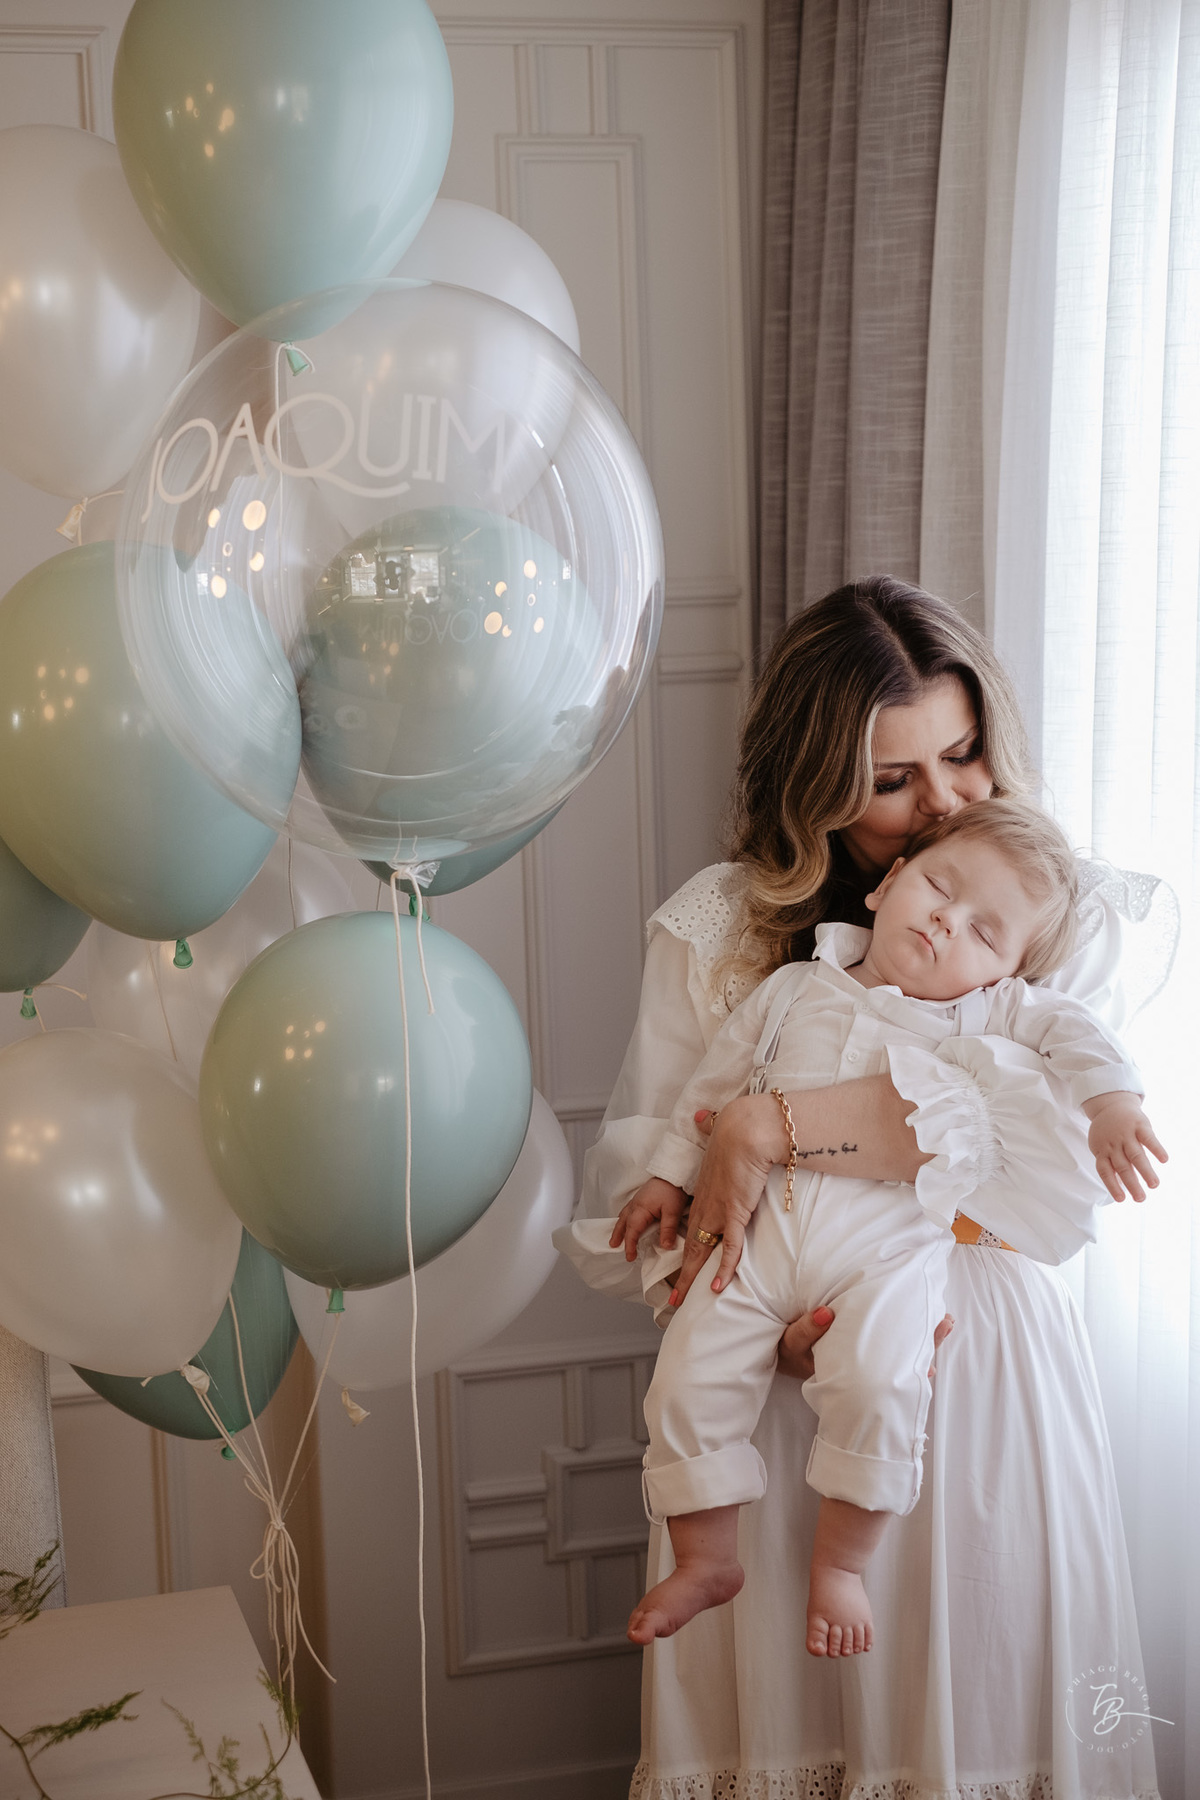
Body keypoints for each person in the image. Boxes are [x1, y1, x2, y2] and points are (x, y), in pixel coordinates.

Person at [558, 577, 1167, 1800]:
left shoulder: (1054, 911)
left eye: (964, 755)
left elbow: (998, 1146)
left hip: (971, 1364)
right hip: (771, 1380)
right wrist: (718, 1244)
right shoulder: (725, 933)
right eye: (895, 782)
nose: (944, 805)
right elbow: (650, 1191)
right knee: (798, 1728)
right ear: (818, 788)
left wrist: (766, 1126)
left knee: (981, 1708)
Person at [623, 800, 1163, 1659]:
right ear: (885, 889)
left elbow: (1071, 1031)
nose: (950, 923)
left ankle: (842, 1566)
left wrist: (1113, 1105)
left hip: (882, 1257)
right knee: (686, 1376)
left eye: (985, 935)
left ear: (1003, 976)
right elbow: (714, 1088)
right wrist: (664, 1175)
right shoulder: (793, 987)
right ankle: (707, 1555)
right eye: (940, 888)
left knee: (883, 1385)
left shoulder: (979, 1015)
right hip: (760, 1245)